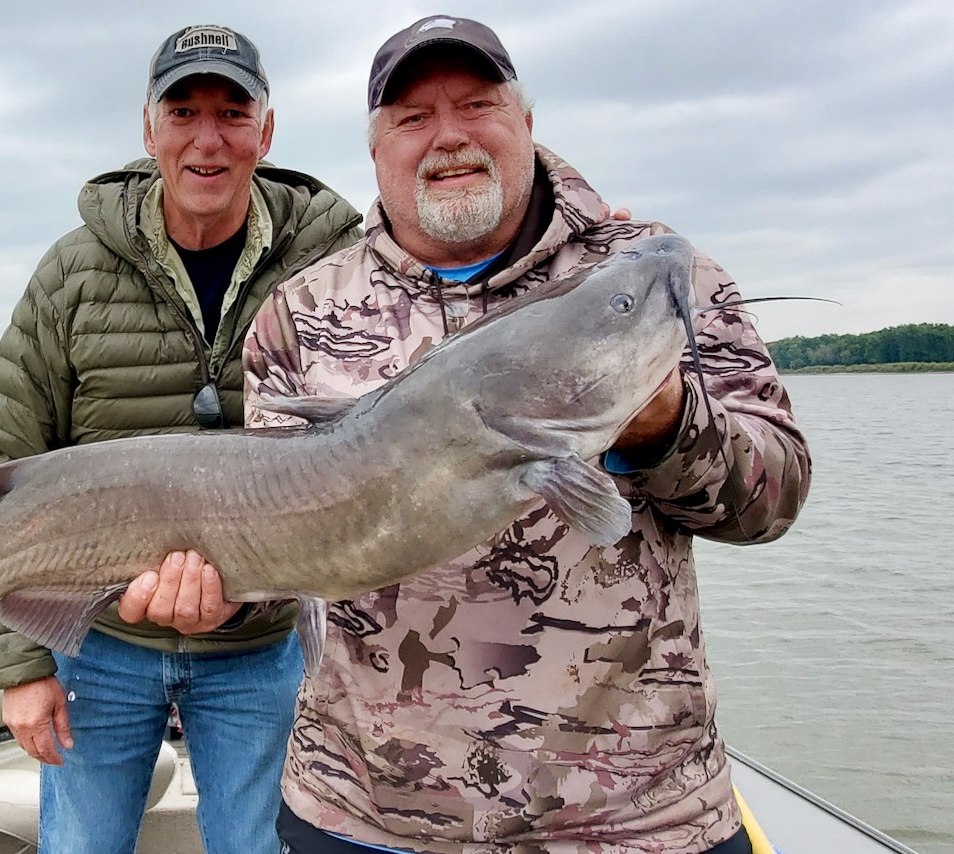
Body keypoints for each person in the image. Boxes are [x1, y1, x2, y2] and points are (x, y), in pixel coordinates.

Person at [244, 16, 811, 854]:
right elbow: (262, 525)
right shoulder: (302, 313)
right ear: (377, 151)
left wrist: (664, 427)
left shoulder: (655, 272)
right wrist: (201, 594)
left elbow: (777, 496)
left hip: (632, 819)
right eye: (412, 118)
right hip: (365, 814)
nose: (449, 136)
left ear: (526, 123)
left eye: (476, 105)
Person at [0, 24, 362, 854]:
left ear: (267, 130)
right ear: (149, 129)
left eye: (231, 111)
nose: (207, 139)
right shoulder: (71, 275)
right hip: (100, 649)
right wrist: (23, 666)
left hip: (262, 653)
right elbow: (1, 470)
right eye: (183, 111)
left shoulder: (335, 261)